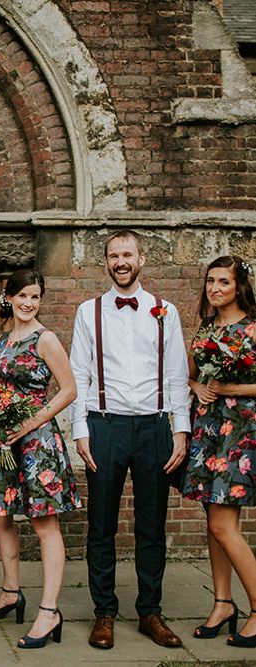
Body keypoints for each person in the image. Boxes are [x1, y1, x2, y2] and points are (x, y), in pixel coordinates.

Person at [69, 229, 189, 650]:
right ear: (106, 262)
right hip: (105, 426)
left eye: (127, 254)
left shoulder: (165, 311)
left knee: (151, 525)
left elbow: (176, 375)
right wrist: (81, 430)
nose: (121, 261)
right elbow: (78, 374)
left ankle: (150, 612)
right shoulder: (89, 311)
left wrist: (180, 430)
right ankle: (104, 612)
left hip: (154, 428)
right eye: (113, 255)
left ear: (141, 259)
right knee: (101, 524)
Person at [0, 269, 81, 649]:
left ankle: (49, 610)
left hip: (38, 442)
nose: (28, 303)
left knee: (43, 523)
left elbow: (68, 390)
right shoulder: (5, 338)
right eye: (21, 296)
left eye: (35, 297)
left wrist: (28, 423)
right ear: (9, 297)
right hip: (8, 441)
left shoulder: (46, 339)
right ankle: (11, 591)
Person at [182, 255, 256, 648]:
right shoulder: (206, 328)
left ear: (239, 285)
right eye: (210, 281)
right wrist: (198, 389)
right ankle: (223, 603)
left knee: (222, 526)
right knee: (214, 521)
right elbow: (191, 376)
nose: (214, 289)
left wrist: (232, 390)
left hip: (239, 434)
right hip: (208, 430)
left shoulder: (253, 328)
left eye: (223, 282)